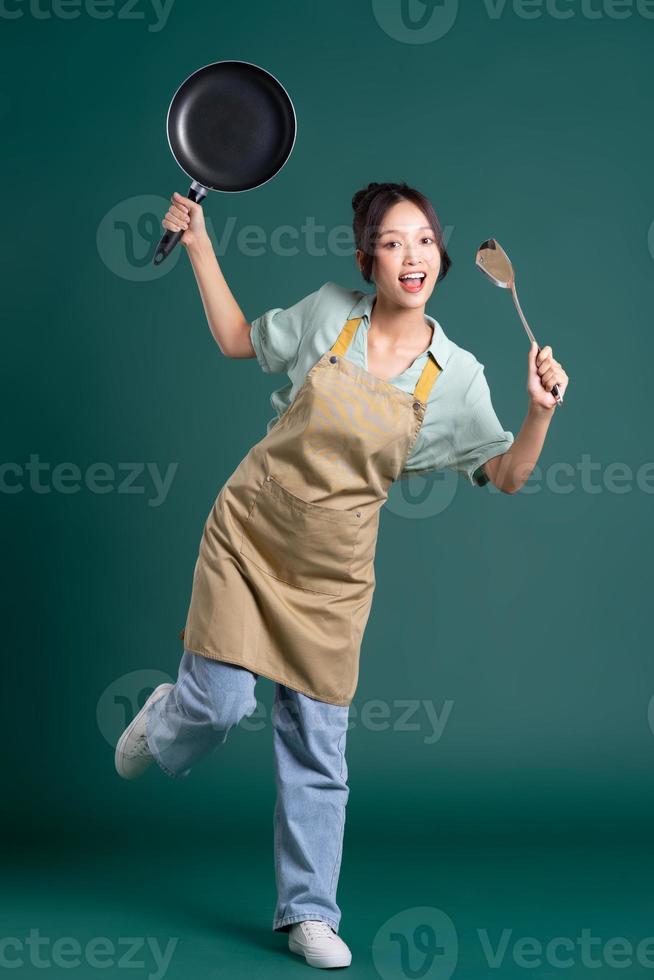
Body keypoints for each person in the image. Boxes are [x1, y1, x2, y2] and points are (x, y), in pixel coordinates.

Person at [114, 181, 569, 969]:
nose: (412, 255)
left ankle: (308, 914)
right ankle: (167, 719)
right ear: (368, 258)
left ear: (443, 255)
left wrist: (539, 413)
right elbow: (233, 338)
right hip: (250, 536)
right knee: (219, 706)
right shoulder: (329, 312)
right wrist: (198, 245)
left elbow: (507, 474)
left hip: (334, 579)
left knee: (318, 748)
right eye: (393, 242)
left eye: (424, 239)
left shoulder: (454, 376)